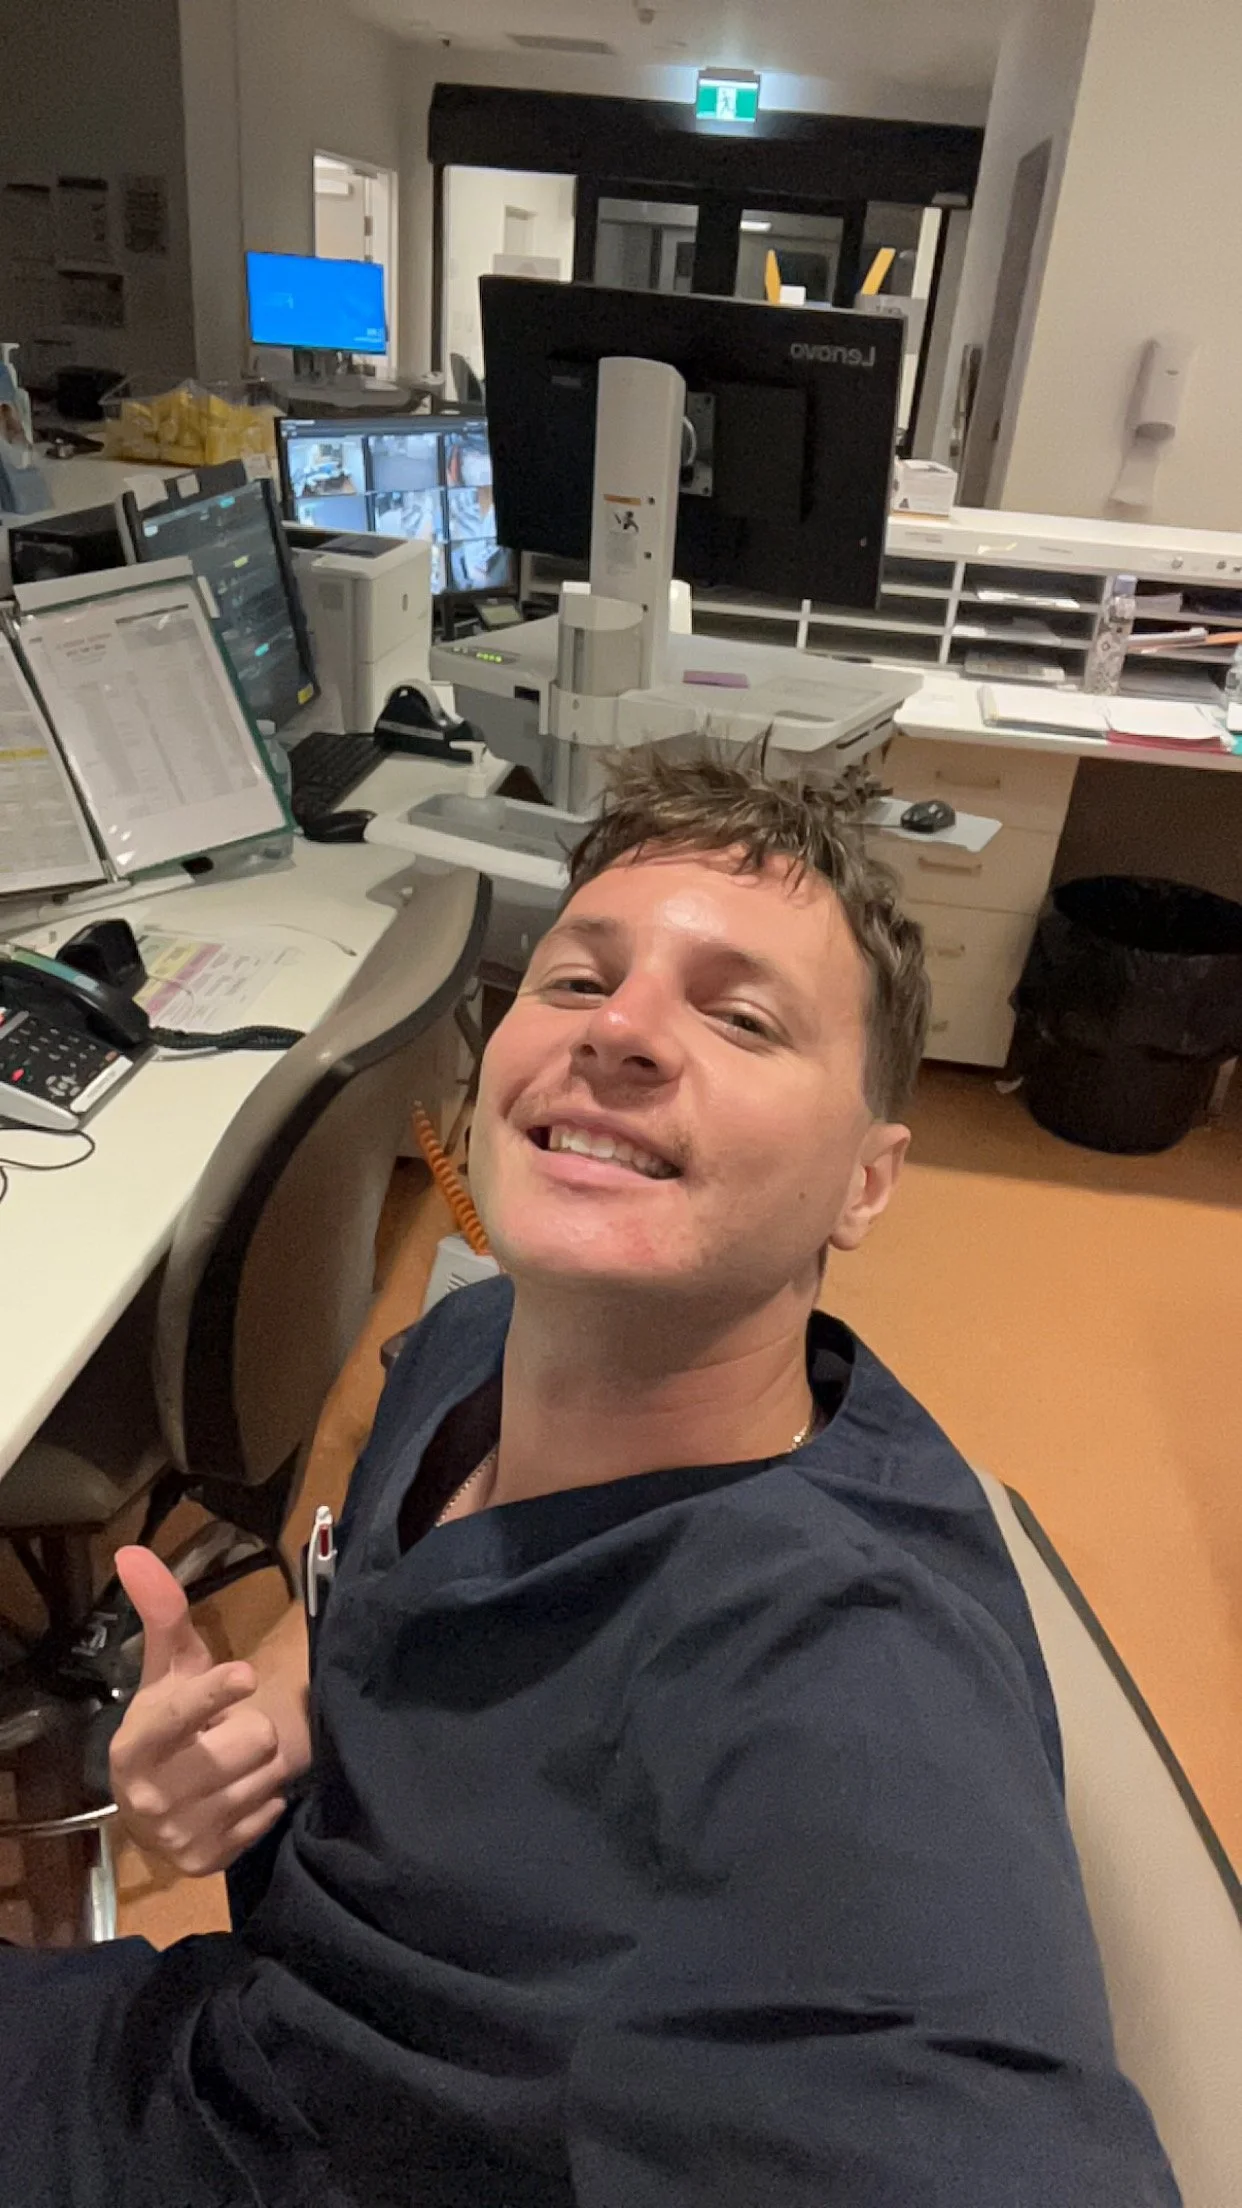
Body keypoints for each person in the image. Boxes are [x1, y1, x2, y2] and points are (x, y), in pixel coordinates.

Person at [1, 752, 1179, 2208]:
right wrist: (282, 1706)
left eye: (741, 1016)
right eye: (576, 981)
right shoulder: (472, 1340)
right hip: (239, 2037)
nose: (618, 1030)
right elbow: (377, 1535)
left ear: (865, 1182)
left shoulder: (836, 1694)